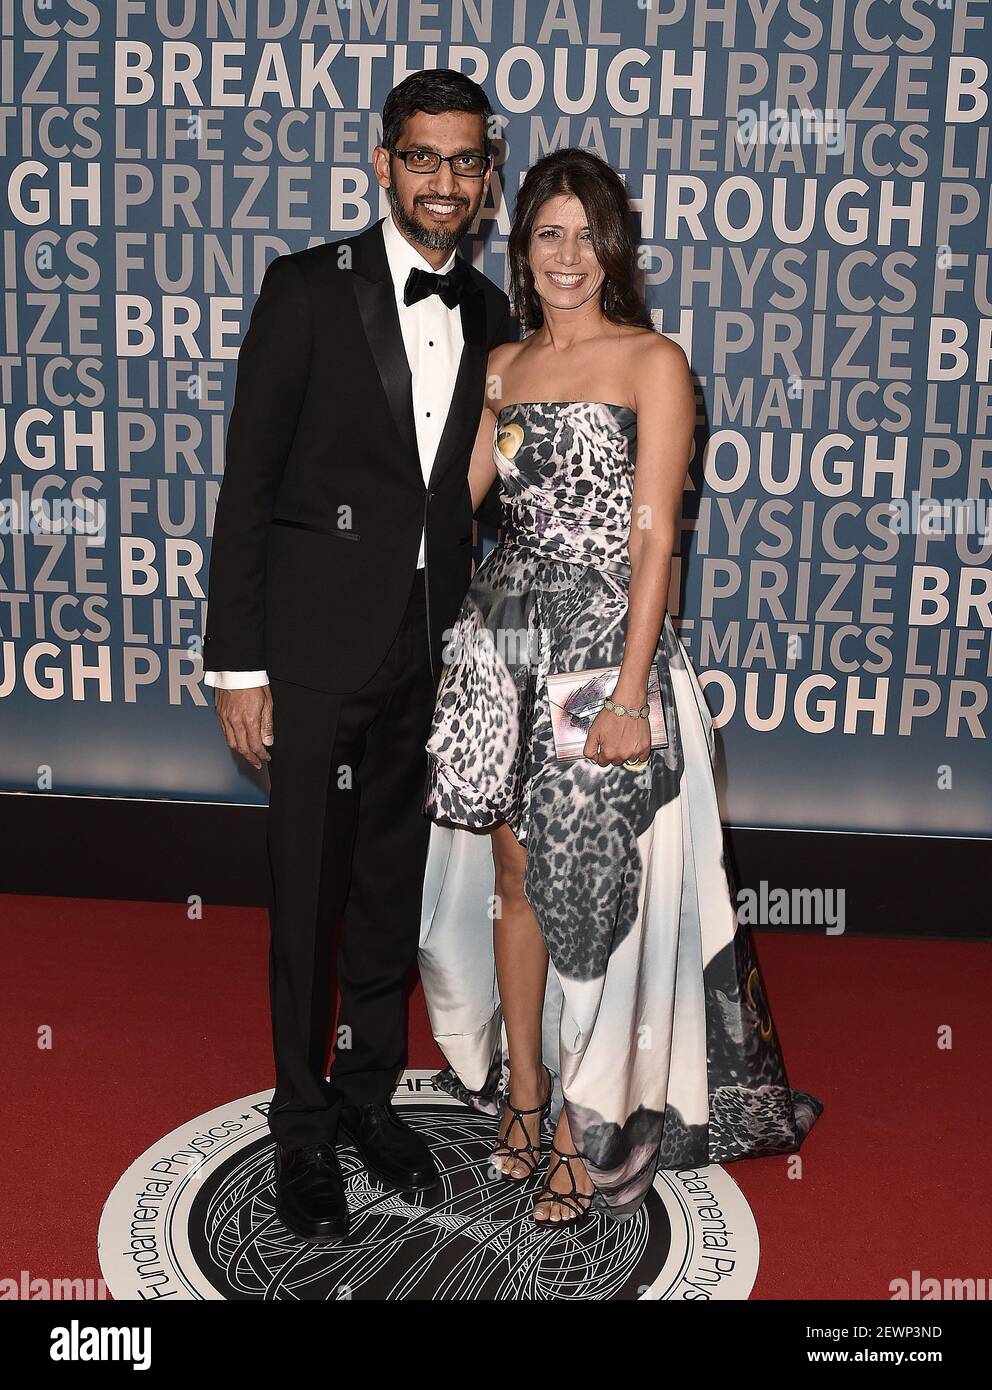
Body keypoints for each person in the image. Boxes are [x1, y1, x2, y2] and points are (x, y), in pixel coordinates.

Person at [418, 148, 823, 1227]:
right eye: (545, 234)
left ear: (615, 247)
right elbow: (451, 510)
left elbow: (655, 546)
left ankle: (576, 1129)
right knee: (509, 873)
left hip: (605, 650)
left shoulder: (653, 361)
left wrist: (632, 694)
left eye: (583, 234)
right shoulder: (501, 365)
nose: (565, 255)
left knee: (581, 897)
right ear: (521, 246)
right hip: (502, 645)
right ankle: (521, 1094)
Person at [202, 69, 516, 1244]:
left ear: (488, 175)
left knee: (388, 892)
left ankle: (369, 1098)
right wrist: (239, 664)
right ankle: (299, 1127)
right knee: (307, 899)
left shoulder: (491, 312)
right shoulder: (305, 288)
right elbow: (250, 485)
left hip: (427, 660)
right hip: (312, 656)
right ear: (381, 163)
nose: (444, 181)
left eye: (464, 161)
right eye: (421, 157)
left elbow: (475, 494)